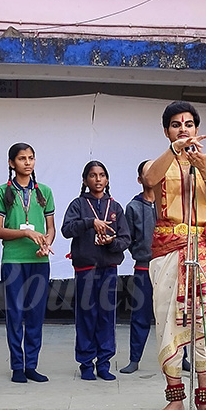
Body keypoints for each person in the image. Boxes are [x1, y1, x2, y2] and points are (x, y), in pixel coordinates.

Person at [142, 101, 206, 410]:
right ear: (166, 131)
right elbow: (149, 179)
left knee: (205, 324)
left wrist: (203, 166)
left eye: (188, 124)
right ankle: (175, 400)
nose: (183, 129)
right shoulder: (157, 163)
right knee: (168, 323)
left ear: (197, 128)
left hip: (203, 250)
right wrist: (175, 150)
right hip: (168, 250)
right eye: (175, 125)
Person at [61, 160, 131, 381]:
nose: (98, 179)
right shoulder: (78, 205)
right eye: (92, 175)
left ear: (107, 179)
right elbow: (66, 230)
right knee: (86, 315)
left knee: (106, 317)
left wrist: (111, 242)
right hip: (86, 269)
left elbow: (126, 238)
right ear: (85, 180)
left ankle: (104, 363)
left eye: (101, 175)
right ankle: (86, 363)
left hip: (108, 269)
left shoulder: (115, 207)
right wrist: (90, 222)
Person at [0, 143, 55, 383]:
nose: (27, 162)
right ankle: (17, 366)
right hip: (14, 260)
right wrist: (27, 233)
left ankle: (32, 365)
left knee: (36, 315)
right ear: (11, 163)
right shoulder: (2, 192)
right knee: (15, 314)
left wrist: (46, 243)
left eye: (31, 158)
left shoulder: (44, 191)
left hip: (39, 260)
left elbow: (50, 228)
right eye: (22, 158)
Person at [120, 161, 157, 374]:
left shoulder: (168, 204)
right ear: (140, 179)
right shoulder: (133, 207)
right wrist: (140, 252)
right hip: (144, 268)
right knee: (140, 315)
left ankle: (182, 358)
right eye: (147, 173)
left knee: (176, 316)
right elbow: (128, 237)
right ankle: (134, 359)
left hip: (169, 268)